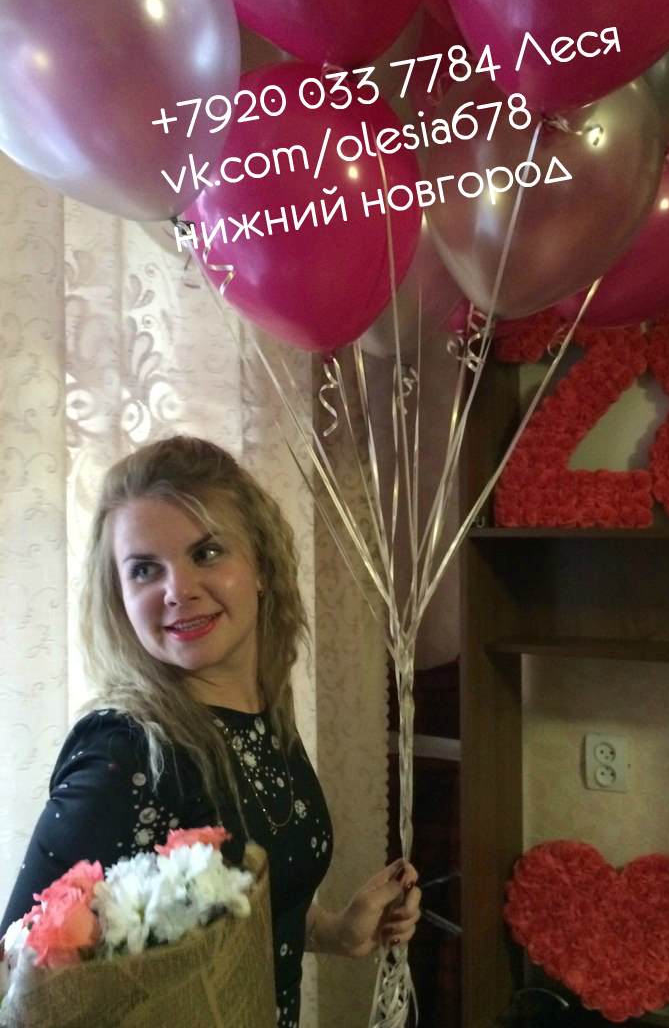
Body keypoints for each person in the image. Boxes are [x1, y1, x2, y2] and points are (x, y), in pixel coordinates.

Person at [0, 436, 421, 1028]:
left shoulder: (266, 715)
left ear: (262, 569)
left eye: (207, 553)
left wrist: (336, 931)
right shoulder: (127, 751)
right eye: (145, 569)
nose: (178, 590)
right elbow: (17, 970)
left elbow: (220, 923)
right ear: (120, 597)